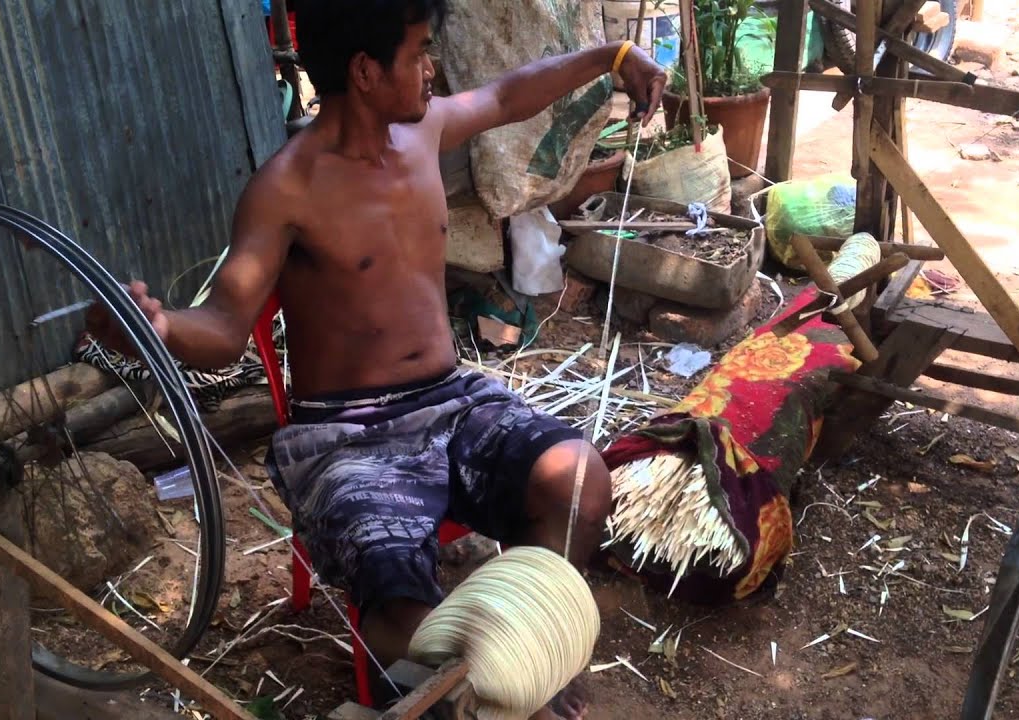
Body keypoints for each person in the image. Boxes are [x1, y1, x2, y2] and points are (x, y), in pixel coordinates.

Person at [86, 1, 666, 716]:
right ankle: (469, 691)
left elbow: (510, 94)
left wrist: (609, 58)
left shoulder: (424, 130)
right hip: (347, 438)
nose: (434, 68)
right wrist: (156, 326)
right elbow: (227, 325)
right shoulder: (286, 187)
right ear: (364, 71)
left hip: (451, 401)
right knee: (394, 585)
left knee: (575, 478)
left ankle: (526, 653)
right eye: (420, 52)